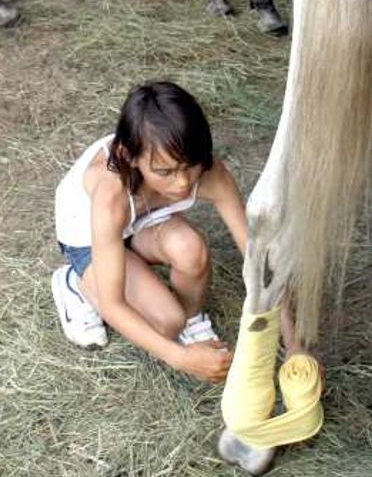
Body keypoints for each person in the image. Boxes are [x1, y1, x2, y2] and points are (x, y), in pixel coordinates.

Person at [51, 81, 274, 383]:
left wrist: (296, 346)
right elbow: (114, 306)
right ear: (129, 156)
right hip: (89, 236)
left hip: (140, 222)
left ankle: (192, 320)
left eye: (190, 165)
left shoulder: (209, 172)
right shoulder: (110, 193)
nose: (183, 183)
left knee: (190, 249)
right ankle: (76, 283)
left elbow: (257, 259)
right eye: (165, 172)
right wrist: (181, 358)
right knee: (165, 323)